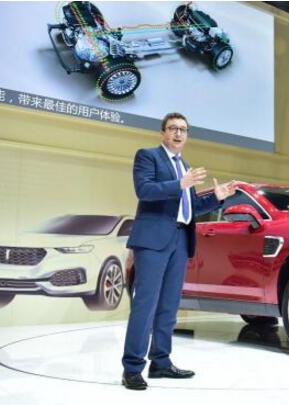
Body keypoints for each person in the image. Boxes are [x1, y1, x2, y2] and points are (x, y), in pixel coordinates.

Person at [121, 112, 237, 390]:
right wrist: (180, 184)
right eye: (172, 128)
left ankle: (160, 362)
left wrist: (216, 197)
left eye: (183, 129)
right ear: (162, 133)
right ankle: (132, 368)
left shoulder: (185, 166)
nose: (178, 133)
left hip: (180, 240)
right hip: (153, 241)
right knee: (145, 304)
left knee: (169, 305)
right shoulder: (148, 156)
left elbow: (190, 207)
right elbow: (144, 190)